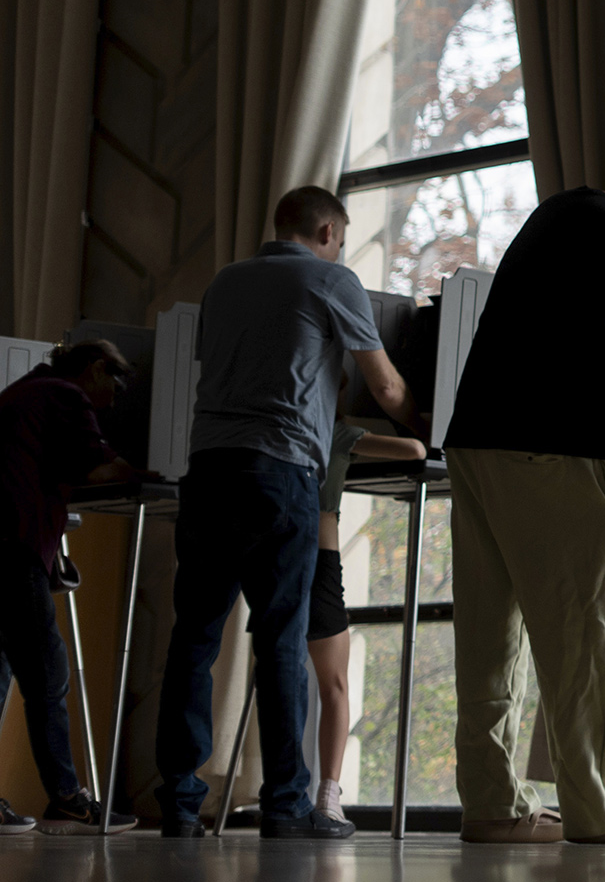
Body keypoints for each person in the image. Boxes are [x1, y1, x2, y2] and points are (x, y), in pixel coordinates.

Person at [441, 153, 605, 845]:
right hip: (553, 448)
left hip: (478, 440)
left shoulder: (559, 212)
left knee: (489, 635)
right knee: (592, 633)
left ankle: (494, 806)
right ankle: (602, 808)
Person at [154, 186, 420, 840]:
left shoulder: (225, 283)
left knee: (194, 637)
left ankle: (181, 804)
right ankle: (285, 805)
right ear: (329, 230)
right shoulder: (333, 279)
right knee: (278, 636)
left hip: (209, 469)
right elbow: (384, 385)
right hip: (281, 471)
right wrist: (428, 423)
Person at [0, 341, 142, 834]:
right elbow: (96, 466)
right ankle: (67, 798)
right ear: (95, 367)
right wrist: (148, 469)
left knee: (2, 673)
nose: (116, 396)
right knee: (48, 672)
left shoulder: (22, 390)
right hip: (16, 545)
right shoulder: (65, 394)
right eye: (115, 381)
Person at [296, 422, 426, 823]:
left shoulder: (278, 423)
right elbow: (416, 451)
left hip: (270, 558)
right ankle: (328, 796)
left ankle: (284, 794)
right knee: (334, 684)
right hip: (319, 562)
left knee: (281, 675)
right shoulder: (333, 430)